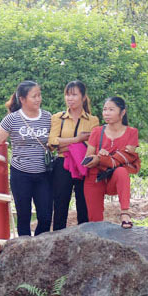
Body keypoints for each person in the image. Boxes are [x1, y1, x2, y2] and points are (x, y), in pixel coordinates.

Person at [0, 81, 53, 236]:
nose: (38, 99)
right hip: (21, 174)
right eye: (34, 96)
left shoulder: (48, 117)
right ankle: (25, 250)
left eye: (39, 95)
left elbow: (56, 142)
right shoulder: (13, 119)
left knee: (45, 216)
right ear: (22, 99)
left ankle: (40, 248)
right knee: (24, 215)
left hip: (44, 174)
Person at [82, 96, 140, 228]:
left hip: (114, 178)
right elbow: (88, 160)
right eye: (104, 109)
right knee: (95, 222)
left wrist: (107, 159)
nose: (106, 113)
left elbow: (128, 157)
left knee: (121, 171)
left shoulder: (132, 132)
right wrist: (98, 156)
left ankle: (125, 213)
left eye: (111, 109)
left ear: (122, 112)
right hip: (95, 177)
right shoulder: (97, 131)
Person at [48, 80, 98, 230]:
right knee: (60, 206)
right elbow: (52, 142)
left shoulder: (92, 120)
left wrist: (65, 144)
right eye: (67, 95)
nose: (70, 98)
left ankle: (84, 242)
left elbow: (93, 145)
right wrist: (77, 140)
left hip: (84, 165)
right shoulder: (58, 118)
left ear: (83, 97)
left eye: (74, 95)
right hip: (62, 166)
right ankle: (58, 242)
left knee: (84, 206)